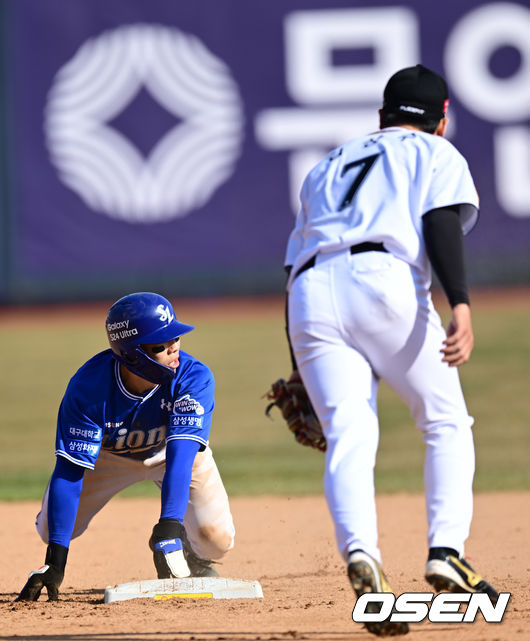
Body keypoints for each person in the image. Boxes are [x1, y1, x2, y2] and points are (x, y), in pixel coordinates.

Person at [283, 65, 499, 636]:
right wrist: (460, 303)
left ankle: (362, 553)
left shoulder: (326, 165)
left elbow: (292, 262)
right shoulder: (435, 152)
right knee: (445, 419)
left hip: (308, 292)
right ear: (442, 118)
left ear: (381, 115)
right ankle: (445, 551)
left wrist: (297, 361)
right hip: (384, 280)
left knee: (350, 430)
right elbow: (438, 221)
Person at [17, 292, 235, 601]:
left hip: (170, 453)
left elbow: (181, 454)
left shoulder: (193, 377)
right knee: (51, 529)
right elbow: (69, 471)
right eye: (160, 345)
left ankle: (192, 552)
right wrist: (55, 561)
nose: (174, 348)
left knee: (217, 541)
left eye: (175, 337)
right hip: (108, 456)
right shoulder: (88, 389)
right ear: (132, 354)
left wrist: (170, 526)